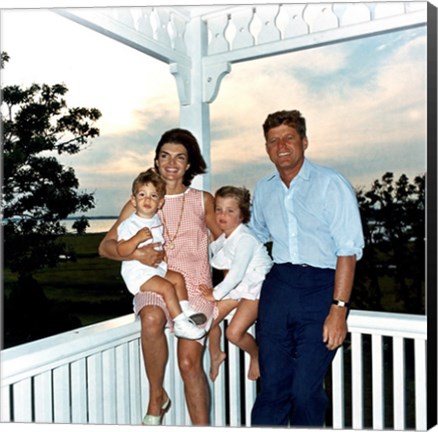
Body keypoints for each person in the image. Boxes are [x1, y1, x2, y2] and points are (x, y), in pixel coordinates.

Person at [99, 128, 222, 426]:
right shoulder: (141, 199)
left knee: (189, 363)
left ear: (189, 164)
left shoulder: (203, 200)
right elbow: (105, 247)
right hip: (155, 278)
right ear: (156, 160)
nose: (171, 162)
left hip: (193, 287)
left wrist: (230, 290)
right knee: (152, 317)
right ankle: (157, 396)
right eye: (165, 155)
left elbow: (228, 245)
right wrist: (136, 254)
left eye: (180, 157)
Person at [250, 110, 364, 427]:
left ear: (304, 141)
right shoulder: (265, 189)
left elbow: (348, 250)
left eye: (289, 137)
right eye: (273, 140)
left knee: (304, 391)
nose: (281, 145)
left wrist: (338, 309)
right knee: (272, 387)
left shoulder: (331, 184)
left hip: (321, 289)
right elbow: (254, 237)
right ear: (267, 148)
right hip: (279, 288)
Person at [117, 168, 206, 340]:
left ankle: (185, 309)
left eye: (153, 196)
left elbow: (158, 242)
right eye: (142, 195)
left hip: (155, 269)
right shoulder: (130, 224)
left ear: (160, 203)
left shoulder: (155, 220)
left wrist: (163, 253)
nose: (147, 199)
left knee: (177, 278)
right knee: (167, 287)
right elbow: (121, 250)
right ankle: (180, 324)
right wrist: (136, 239)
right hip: (138, 274)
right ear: (133, 200)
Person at [199, 186, 272, 382]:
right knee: (208, 319)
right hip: (238, 289)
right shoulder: (226, 237)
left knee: (233, 333)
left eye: (230, 211)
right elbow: (220, 254)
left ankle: (256, 354)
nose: (223, 215)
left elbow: (237, 273)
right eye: (219, 209)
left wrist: (214, 294)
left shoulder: (245, 238)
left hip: (256, 289)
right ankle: (217, 354)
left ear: (242, 215)